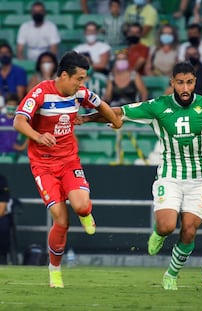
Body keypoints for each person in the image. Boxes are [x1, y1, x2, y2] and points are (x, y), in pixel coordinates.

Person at [79, 62, 202, 290]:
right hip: (170, 176)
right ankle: (159, 233)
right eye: (180, 83)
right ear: (172, 83)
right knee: (167, 226)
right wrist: (86, 118)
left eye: (189, 82)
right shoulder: (157, 107)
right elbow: (118, 113)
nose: (185, 88)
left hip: (201, 179)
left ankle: (171, 275)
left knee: (189, 229)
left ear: (195, 82)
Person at [13, 51, 122, 288]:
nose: (81, 84)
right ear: (64, 75)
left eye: (83, 79)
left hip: (69, 161)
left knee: (82, 205)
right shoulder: (40, 92)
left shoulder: (80, 94)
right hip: (43, 166)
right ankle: (55, 271)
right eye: (79, 78)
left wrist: (107, 120)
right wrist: (38, 136)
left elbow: (102, 105)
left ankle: (85, 213)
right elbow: (18, 121)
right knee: (61, 221)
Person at [0, 175, 12, 264]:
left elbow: (2, 208)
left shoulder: (1, 180)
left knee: (4, 225)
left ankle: (2, 257)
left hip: (1, 216)